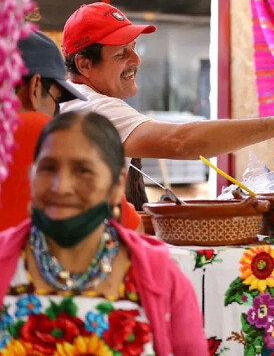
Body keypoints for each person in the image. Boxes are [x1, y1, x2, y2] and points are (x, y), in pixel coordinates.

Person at [0, 112, 207, 355]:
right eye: (48, 168)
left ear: (117, 185)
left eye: (83, 170)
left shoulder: (161, 277)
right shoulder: (5, 262)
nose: (61, 186)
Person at [60, 2, 274, 176]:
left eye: (134, 50)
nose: (136, 61)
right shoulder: (92, 108)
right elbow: (181, 142)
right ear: (84, 64)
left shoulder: (74, 101)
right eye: (121, 55)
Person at [0, 31, 141, 232]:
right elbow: (132, 230)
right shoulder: (43, 134)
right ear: (35, 88)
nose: (56, 113)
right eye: (56, 100)